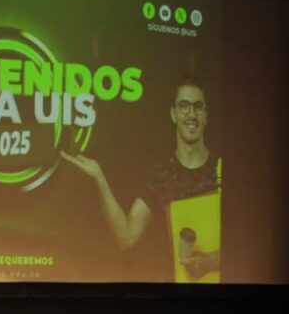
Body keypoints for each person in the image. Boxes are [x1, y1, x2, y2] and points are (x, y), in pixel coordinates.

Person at [61, 75, 220, 281]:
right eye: (184, 106)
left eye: (198, 107)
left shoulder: (222, 170)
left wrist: (210, 261)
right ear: (173, 114)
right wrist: (99, 179)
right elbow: (126, 237)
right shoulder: (162, 175)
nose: (191, 114)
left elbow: (246, 244)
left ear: (206, 115)